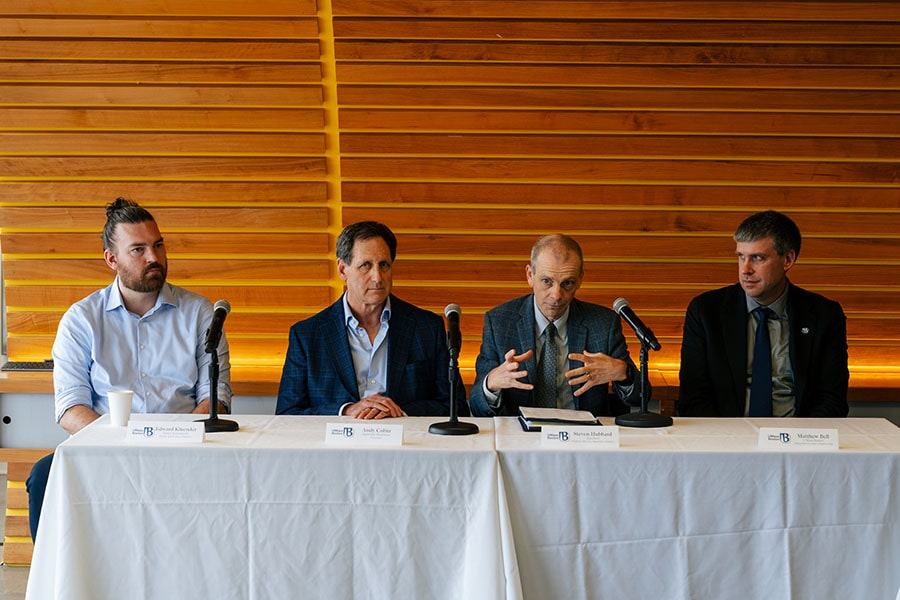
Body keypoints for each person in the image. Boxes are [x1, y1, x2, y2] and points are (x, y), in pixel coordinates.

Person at [26, 198, 232, 540]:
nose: (154, 257)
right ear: (112, 259)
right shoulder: (81, 319)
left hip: (187, 449)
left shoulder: (200, 313)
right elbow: (70, 408)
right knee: (43, 476)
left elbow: (216, 396)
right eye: (138, 249)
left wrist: (177, 439)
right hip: (106, 449)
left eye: (158, 245)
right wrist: (124, 444)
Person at [276, 221, 464, 418]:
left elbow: (455, 406)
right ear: (342, 270)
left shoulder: (427, 327)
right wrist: (346, 411)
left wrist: (399, 413)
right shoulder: (307, 335)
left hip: (406, 443)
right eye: (366, 266)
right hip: (337, 445)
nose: (377, 277)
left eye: (384, 265)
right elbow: (287, 413)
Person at [677, 210, 849, 417]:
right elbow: (694, 397)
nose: (745, 269)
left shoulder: (824, 315)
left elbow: (832, 398)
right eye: (741, 257)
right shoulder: (706, 311)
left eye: (757, 258)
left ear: (788, 260)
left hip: (798, 439)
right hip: (728, 439)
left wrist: (801, 441)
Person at [468, 234, 641, 417]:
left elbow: (639, 397)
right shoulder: (499, 322)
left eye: (567, 283)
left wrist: (623, 372)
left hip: (584, 437)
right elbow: (478, 407)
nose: (556, 295)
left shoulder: (603, 324)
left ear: (580, 280)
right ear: (530, 275)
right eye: (546, 281)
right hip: (520, 438)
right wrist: (491, 384)